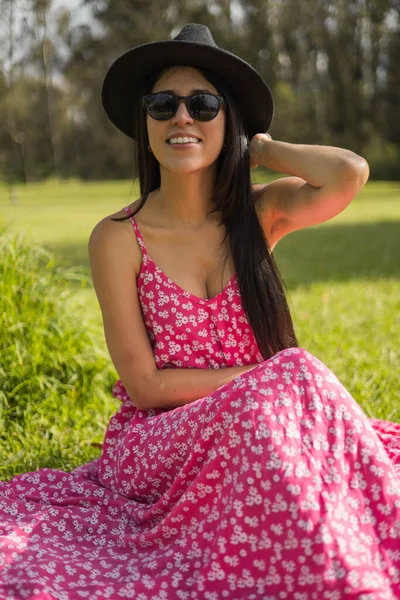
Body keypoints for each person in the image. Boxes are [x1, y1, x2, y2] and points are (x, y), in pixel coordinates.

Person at [1, 23, 399, 600]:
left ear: (227, 119)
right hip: (158, 442)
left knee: (295, 403)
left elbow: (349, 174)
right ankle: (338, 575)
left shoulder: (258, 218)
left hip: (259, 423)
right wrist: (262, 382)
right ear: (146, 123)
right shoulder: (117, 238)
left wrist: (258, 147)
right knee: (296, 373)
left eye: (203, 104)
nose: (181, 118)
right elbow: (144, 386)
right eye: (163, 105)